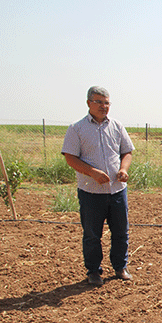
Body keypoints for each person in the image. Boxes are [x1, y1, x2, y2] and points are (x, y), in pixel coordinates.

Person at [62, 86, 135, 286]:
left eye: (107, 103)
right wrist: (92, 172)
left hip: (117, 190)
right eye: (99, 102)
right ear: (88, 103)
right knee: (92, 233)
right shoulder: (77, 128)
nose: (104, 106)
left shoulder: (117, 126)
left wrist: (123, 169)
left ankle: (120, 267)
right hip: (91, 192)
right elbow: (70, 157)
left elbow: (126, 152)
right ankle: (94, 271)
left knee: (121, 231)